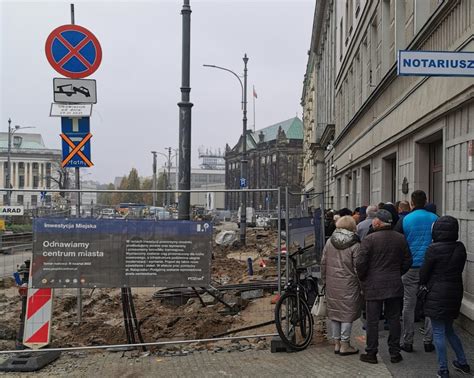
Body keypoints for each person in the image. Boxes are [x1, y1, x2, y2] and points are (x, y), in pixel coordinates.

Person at [356, 209, 412, 364]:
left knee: (372, 321)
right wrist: (397, 273)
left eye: (374, 220)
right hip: (394, 283)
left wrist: (363, 278)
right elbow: (408, 261)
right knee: (394, 318)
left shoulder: (370, 239)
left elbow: (360, 263)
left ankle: (371, 353)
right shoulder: (400, 238)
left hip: (373, 284)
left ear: (378, 222)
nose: (373, 221)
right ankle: (395, 353)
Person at [420, 216, 470, 378]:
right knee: (449, 329)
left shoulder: (433, 248)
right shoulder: (460, 247)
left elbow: (424, 274)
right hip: (454, 290)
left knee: (438, 331)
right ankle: (462, 362)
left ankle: (443, 369)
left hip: (436, 292)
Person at [400, 190, 438, 353]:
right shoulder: (435, 219)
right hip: (430, 267)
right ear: (426, 201)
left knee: (409, 304)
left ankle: (408, 340)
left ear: (412, 202)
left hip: (410, 267)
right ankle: (428, 341)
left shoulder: (406, 219)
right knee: (430, 304)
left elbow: (400, 242)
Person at [321, 215, 362, 356]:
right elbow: (358, 267)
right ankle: (345, 344)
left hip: (332, 283)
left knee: (335, 313)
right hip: (349, 283)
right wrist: (362, 284)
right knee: (347, 314)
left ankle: (337, 343)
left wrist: (324, 280)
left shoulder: (329, 242)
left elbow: (323, 263)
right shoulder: (355, 244)